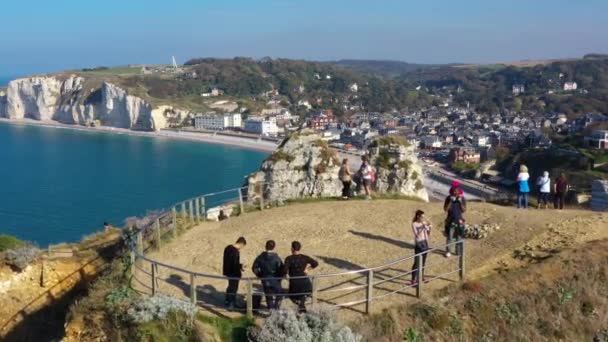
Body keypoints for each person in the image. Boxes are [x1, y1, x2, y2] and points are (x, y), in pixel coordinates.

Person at [283, 241, 318, 313]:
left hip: (295, 284)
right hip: (306, 284)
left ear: (292, 249)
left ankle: (301, 306)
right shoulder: (304, 257)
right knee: (302, 297)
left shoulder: (289, 259)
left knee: (293, 296)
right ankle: (302, 305)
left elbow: (284, 272)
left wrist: (288, 279)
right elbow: (315, 263)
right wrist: (308, 269)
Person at [252, 240, 285, 310]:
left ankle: (271, 309)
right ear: (274, 247)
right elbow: (281, 270)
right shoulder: (276, 258)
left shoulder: (260, 257)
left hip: (265, 279)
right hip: (274, 279)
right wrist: (279, 278)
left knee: (268, 295)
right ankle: (276, 308)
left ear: (265, 246)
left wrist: (260, 276)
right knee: (279, 294)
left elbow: (254, 268)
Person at [223, 237, 247, 310]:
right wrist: (241, 267)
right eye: (243, 246)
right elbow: (234, 264)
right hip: (234, 273)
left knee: (230, 287)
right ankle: (231, 304)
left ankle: (227, 301)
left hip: (227, 271)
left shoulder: (227, 248)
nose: (242, 248)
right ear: (241, 244)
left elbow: (229, 261)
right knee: (233, 288)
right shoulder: (236, 252)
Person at [443, 187, 466, 258]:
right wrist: (450, 201)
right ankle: (448, 251)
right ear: (451, 192)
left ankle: (458, 251)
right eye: (454, 191)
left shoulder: (462, 198)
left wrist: (460, 202)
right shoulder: (448, 198)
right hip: (450, 220)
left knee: (459, 237)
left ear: (459, 192)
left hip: (459, 220)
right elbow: (445, 209)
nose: (455, 193)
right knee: (450, 236)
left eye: (457, 191)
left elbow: (464, 210)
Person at [410, 210, 431, 285]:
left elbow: (428, 233)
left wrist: (429, 227)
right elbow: (416, 235)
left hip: (425, 242)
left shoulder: (424, 223)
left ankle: (421, 276)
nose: (423, 218)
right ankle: (413, 279)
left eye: (424, 217)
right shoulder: (414, 224)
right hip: (419, 244)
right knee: (416, 262)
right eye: (422, 217)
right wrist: (422, 227)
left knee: (423, 262)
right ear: (418, 216)